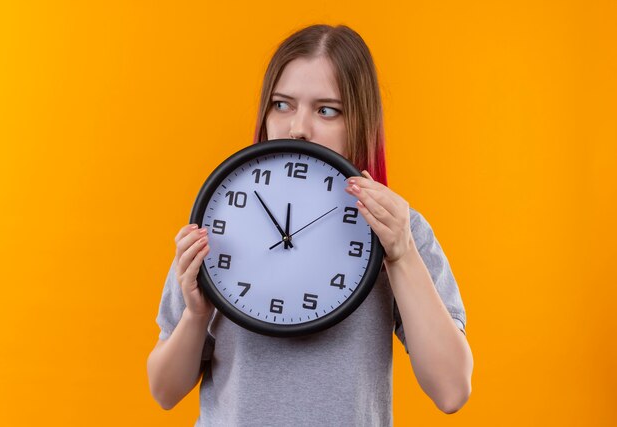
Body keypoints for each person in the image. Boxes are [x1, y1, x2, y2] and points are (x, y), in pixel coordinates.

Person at [147, 24, 473, 426]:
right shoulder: (222, 218)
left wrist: (402, 253)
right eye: (282, 105)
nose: (298, 127)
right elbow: (164, 391)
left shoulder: (397, 230)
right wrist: (196, 315)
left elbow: (452, 390)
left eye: (326, 110)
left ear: (360, 122)